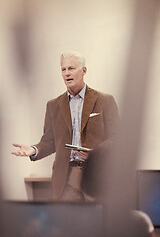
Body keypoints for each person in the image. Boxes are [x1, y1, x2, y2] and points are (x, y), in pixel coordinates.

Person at [12, 51, 120, 201]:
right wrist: (34, 149)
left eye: (71, 68)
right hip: (67, 176)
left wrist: (96, 153)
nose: (67, 73)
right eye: (63, 69)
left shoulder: (104, 100)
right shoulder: (53, 105)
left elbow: (117, 139)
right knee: (70, 222)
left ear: (83, 71)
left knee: (97, 221)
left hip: (96, 174)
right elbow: (49, 141)